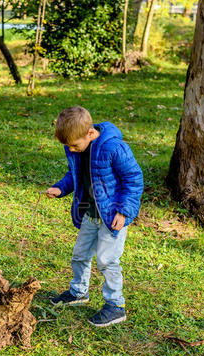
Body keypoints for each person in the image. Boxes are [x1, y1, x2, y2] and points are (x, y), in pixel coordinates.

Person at [45, 106, 143, 327]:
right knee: (79, 255)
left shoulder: (113, 148)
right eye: (68, 146)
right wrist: (61, 188)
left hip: (112, 217)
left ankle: (115, 305)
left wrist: (124, 210)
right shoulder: (76, 147)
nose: (71, 149)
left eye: (74, 145)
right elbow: (74, 174)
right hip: (90, 213)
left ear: (90, 134)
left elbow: (134, 179)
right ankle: (79, 292)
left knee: (107, 260)